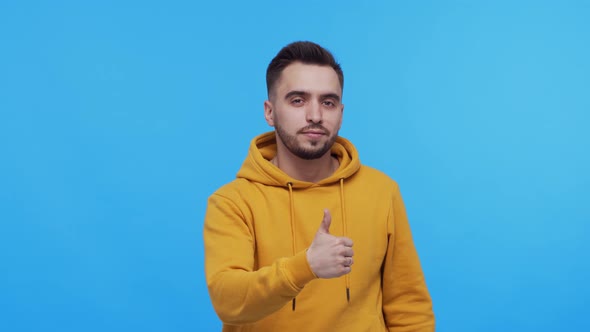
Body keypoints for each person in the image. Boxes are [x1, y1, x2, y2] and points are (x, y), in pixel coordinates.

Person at [204, 41, 435, 331]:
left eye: (327, 102)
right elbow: (228, 300)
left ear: (340, 112)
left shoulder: (381, 191)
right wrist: (306, 267)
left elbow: (409, 307)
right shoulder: (232, 201)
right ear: (270, 112)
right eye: (297, 100)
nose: (315, 115)